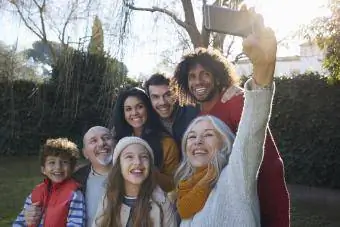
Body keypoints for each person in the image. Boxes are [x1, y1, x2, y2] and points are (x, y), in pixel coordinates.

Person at [171, 10, 290, 227]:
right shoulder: (199, 117)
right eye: (192, 77)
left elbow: (268, 161)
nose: (198, 81)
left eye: (205, 74)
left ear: (218, 77)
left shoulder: (235, 102)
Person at [23, 126, 116, 227]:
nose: (102, 143)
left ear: (115, 143)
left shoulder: (130, 175)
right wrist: (28, 217)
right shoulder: (76, 178)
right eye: (93, 141)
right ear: (85, 153)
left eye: (106, 138)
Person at [93, 136, 177, 227]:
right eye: (129, 157)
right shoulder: (108, 199)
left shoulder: (162, 202)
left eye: (144, 157)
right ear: (119, 165)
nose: (137, 162)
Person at [144, 73, 242, 149]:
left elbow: (214, 98)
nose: (162, 102)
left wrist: (233, 91)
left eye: (168, 95)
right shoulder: (147, 121)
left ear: (176, 94)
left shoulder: (194, 109)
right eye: (155, 97)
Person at [112, 87, 180, 193]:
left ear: (148, 108)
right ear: (123, 113)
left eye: (139, 107)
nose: (134, 113)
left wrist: (149, 171)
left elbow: (174, 183)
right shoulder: (117, 142)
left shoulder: (166, 143)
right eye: (128, 109)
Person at [13, 138, 85, 226]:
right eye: (52, 162)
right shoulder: (35, 193)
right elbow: (19, 222)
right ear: (43, 169)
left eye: (64, 162)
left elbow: (76, 224)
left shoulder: (75, 195)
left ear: (72, 168)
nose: (58, 167)